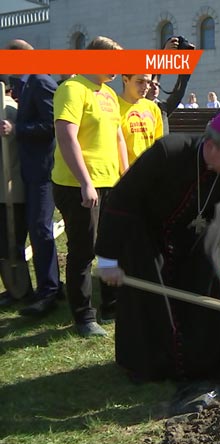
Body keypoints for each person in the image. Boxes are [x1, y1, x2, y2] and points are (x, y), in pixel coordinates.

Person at [95, 110, 220, 386]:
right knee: (147, 293)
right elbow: (121, 200)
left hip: (201, 227)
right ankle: (151, 365)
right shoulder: (168, 151)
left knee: (208, 279)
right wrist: (108, 258)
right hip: (148, 229)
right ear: (210, 147)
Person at [51, 36, 128, 337]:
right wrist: (85, 182)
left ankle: (111, 306)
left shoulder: (108, 93)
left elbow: (118, 136)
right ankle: (84, 316)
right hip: (78, 185)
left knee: (110, 248)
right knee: (83, 251)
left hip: (110, 182)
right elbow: (66, 136)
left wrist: (126, 175)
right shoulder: (71, 88)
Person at [3, 39, 64, 313]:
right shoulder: (26, 84)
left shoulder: (40, 81)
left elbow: (52, 125)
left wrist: (17, 128)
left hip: (43, 171)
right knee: (34, 231)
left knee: (41, 230)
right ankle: (35, 290)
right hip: (30, 172)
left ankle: (49, 292)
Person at [0, 77, 34, 306]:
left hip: (9, 191)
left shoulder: (8, 110)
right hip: (8, 189)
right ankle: (15, 289)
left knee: (10, 242)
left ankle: (20, 291)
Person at [146, 37, 193, 134]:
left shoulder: (162, 108)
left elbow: (179, 91)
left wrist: (187, 64)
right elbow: (151, 75)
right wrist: (164, 55)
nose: (155, 87)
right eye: (151, 84)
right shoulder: (137, 104)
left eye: (157, 85)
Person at [118, 73, 164, 164]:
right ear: (125, 80)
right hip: (125, 172)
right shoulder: (115, 106)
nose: (146, 87)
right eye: (140, 82)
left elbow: (158, 144)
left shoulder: (153, 108)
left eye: (148, 82)